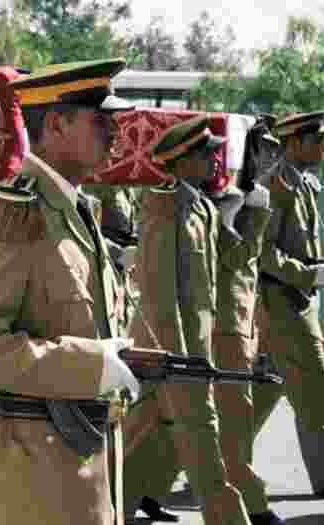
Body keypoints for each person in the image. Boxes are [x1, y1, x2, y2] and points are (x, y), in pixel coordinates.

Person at [0, 58, 139, 525]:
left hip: (81, 465)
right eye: (102, 121)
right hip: (31, 477)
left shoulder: (77, 211)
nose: (116, 133)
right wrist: (91, 364)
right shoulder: (16, 212)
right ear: (58, 124)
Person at [121, 115, 254, 525]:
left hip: (189, 348)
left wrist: (253, 205)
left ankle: (104, 508)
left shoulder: (202, 207)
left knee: (148, 434)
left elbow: (236, 260)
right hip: (172, 351)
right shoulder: (164, 208)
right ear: (181, 159)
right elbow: (160, 294)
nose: (216, 161)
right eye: (207, 153)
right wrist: (178, 359)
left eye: (216, 152)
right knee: (203, 443)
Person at [254, 111, 324, 501]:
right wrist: (305, 274)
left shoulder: (299, 183)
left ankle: (222, 461)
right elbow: (261, 250)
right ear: (294, 142)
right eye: (317, 139)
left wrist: (317, 266)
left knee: (266, 387)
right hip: (283, 302)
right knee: (315, 386)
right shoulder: (275, 185)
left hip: (291, 300)